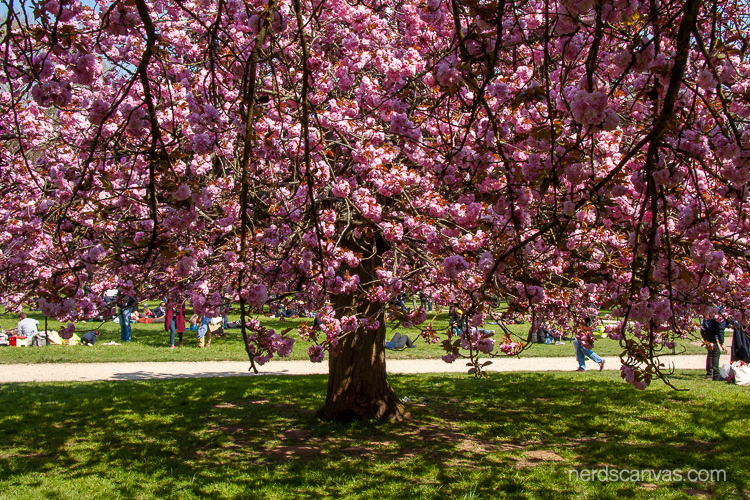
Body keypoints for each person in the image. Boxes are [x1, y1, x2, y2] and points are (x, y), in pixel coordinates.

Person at [701, 311, 727, 380]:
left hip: (705, 330)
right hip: (709, 332)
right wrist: (722, 343)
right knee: (716, 352)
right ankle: (715, 374)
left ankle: (709, 374)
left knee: (711, 352)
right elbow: (720, 331)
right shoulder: (720, 318)